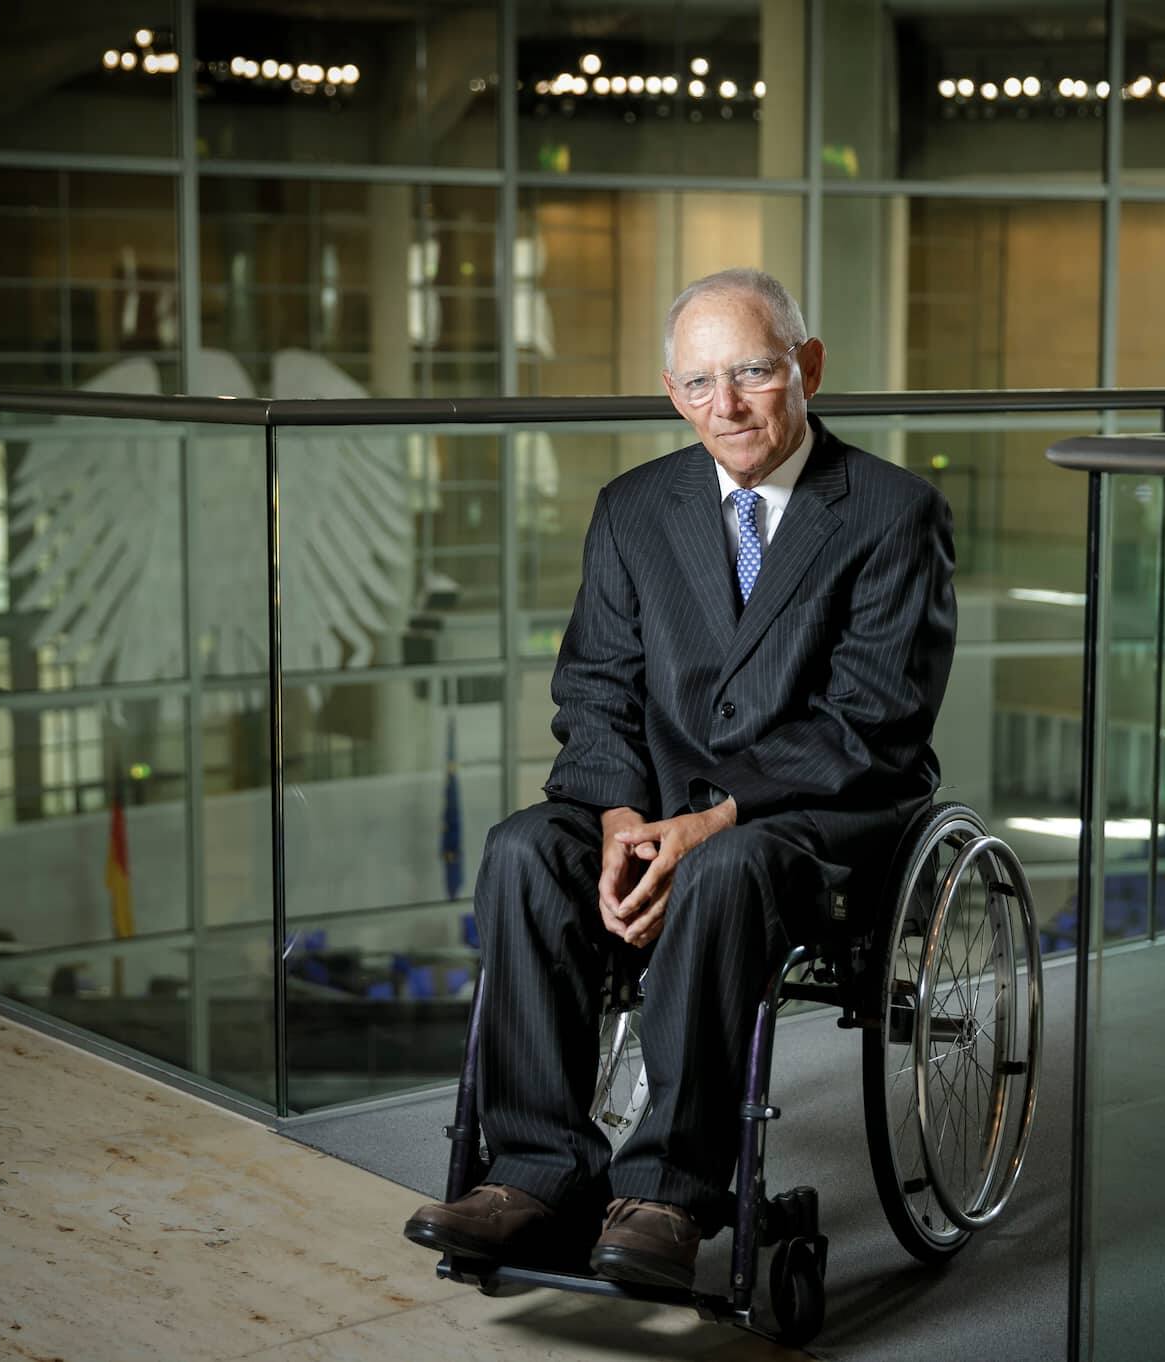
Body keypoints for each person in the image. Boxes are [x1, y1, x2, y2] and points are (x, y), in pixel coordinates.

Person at [403, 268, 956, 1289]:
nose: (728, 406)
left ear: (809, 368)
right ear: (671, 392)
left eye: (753, 372)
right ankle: (534, 1168)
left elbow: (872, 721)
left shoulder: (892, 512)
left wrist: (705, 822)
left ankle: (667, 1188)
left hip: (813, 813)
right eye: (700, 384)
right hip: (647, 800)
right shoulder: (634, 508)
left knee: (726, 867)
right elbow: (597, 688)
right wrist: (616, 814)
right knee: (525, 849)